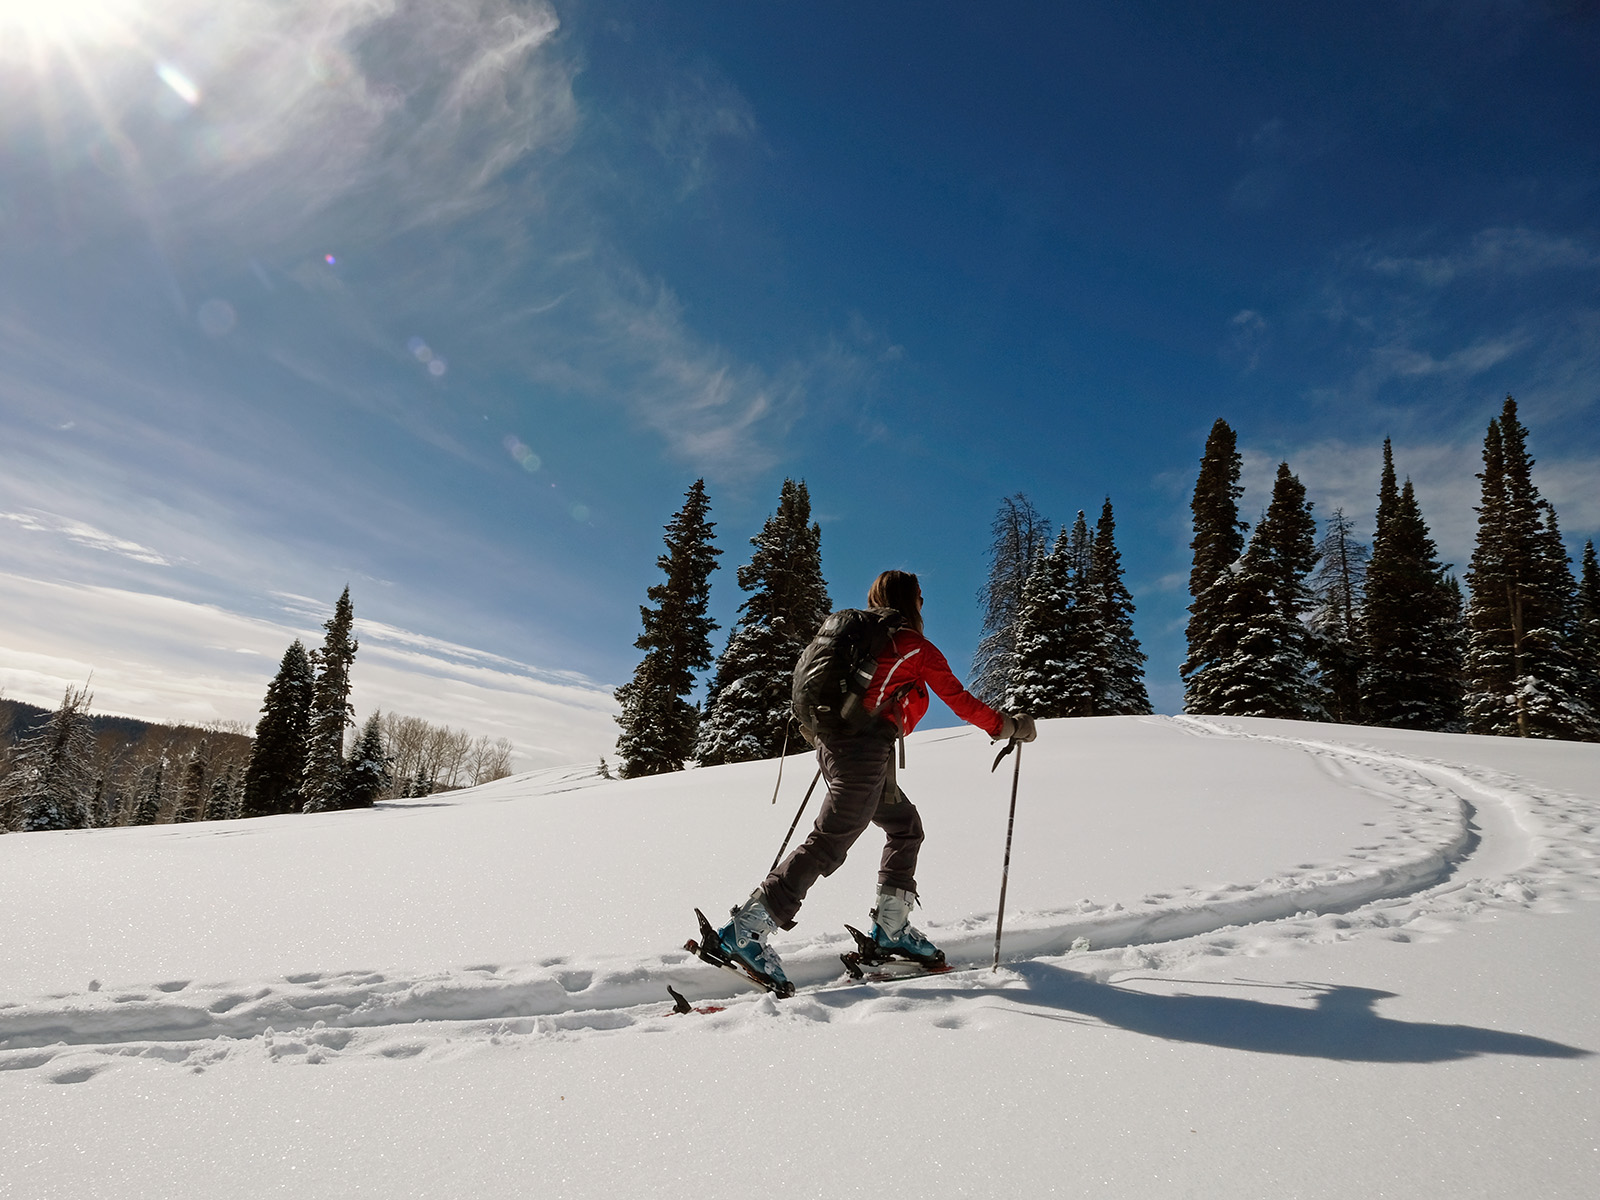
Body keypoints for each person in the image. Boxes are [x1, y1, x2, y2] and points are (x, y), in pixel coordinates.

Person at [715, 569, 1037, 988]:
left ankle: (891, 930)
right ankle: (747, 930)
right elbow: (960, 701)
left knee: (905, 827)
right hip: (860, 753)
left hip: (839, 748)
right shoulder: (912, 645)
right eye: (920, 598)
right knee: (831, 839)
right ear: (912, 601)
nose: (923, 605)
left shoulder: (861, 640)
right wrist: (1010, 726)